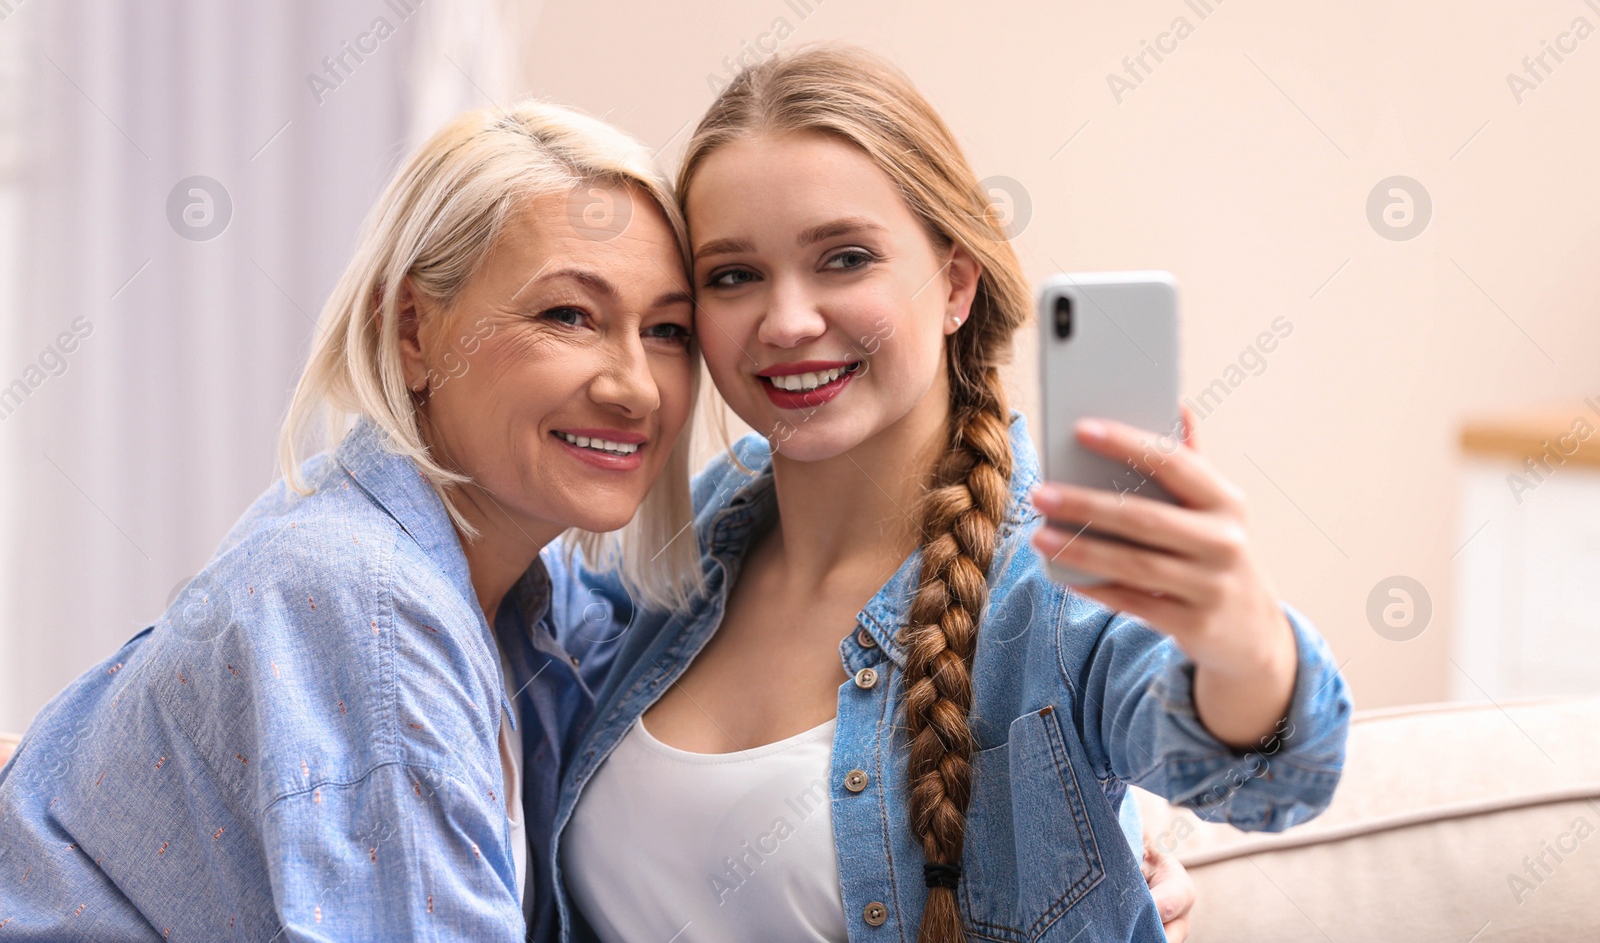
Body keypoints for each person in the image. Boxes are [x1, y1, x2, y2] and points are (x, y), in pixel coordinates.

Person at [549, 46, 1352, 942]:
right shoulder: (688, 531)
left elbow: (1274, 777)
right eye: (733, 275)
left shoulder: (1055, 584)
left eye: (845, 259)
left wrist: (1243, 641)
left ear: (957, 284)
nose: (786, 321)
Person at [0, 101, 702, 941]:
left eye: (667, 330)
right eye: (567, 315)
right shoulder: (368, 599)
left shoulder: (502, 595)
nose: (636, 385)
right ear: (412, 330)